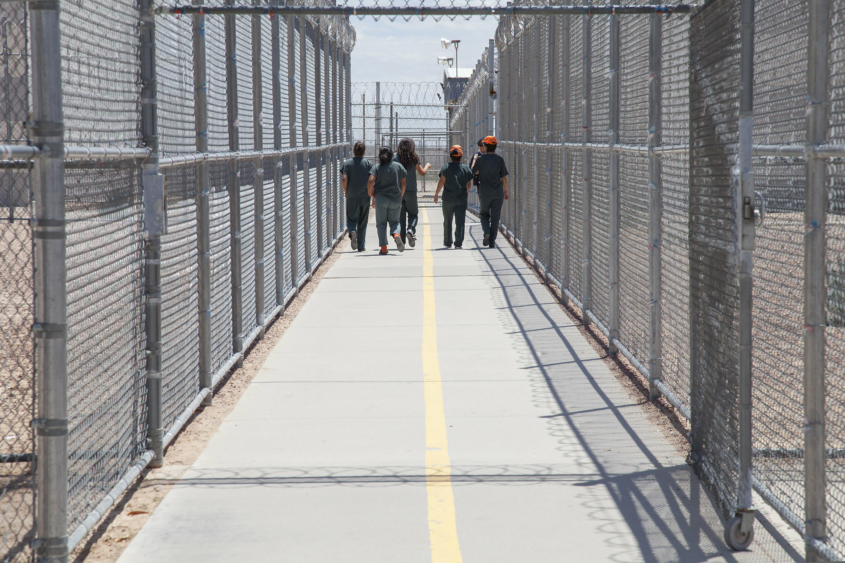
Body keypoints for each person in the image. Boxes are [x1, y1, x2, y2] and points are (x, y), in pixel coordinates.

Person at [471, 135, 509, 249]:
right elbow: (503, 177)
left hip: (484, 192)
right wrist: (506, 190)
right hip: (498, 192)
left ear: (485, 146)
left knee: (483, 214)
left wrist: (475, 162)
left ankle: (486, 231)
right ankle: (492, 242)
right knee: (495, 217)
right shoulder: (499, 160)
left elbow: (472, 172)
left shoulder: (480, 159)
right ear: (495, 146)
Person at [368, 146, 407, 255]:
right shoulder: (398, 166)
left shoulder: (377, 167)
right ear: (391, 156)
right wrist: (401, 195)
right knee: (395, 222)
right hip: (395, 199)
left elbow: (371, 180)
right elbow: (403, 183)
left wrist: (370, 193)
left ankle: (384, 248)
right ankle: (396, 235)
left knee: (381, 224)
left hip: (381, 199)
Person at [433, 145, 473, 249]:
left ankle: (447, 241)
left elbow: (442, 180)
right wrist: (466, 193)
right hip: (461, 198)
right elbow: (469, 184)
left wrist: (436, 194)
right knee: (460, 221)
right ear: (461, 156)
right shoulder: (465, 168)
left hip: (448, 199)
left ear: (451, 156)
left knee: (447, 220)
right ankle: (458, 243)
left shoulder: (446, 167)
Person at [394, 138, 431, 248]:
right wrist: (427, 166)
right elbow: (422, 173)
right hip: (411, 190)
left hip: (398, 190)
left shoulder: (395, 157)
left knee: (400, 216)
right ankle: (410, 230)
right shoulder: (413, 157)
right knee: (413, 214)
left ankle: (402, 241)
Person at [341, 141, 373, 252]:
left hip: (352, 195)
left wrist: (346, 191)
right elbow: (372, 179)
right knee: (363, 221)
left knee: (351, 219)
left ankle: (352, 232)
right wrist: (372, 193)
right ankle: (361, 246)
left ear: (354, 151)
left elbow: (344, 179)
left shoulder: (348, 163)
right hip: (365, 195)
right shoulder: (368, 164)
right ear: (364, 152)